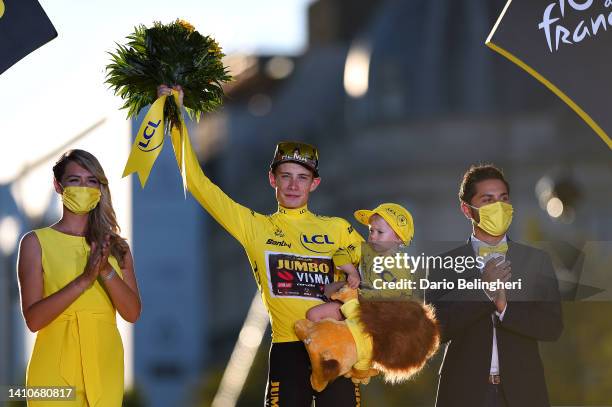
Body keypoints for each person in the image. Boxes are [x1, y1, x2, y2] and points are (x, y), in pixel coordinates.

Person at [160, 81, 365, 407]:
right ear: (273, 179)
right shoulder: (255, 227)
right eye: (286, 176)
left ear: (315, 184)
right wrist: (174, 116)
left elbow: (375, 270)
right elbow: (197, 183)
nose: (294, 185)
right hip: (287, 349)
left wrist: (354, 272)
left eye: (302, 178)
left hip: (336, 345)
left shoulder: (338, 229)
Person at [426, 164, 563, 407]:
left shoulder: (536, 261)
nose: (498, 207)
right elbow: (436, 331)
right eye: (487, 200)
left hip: (524, 392)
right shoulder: (443, 264)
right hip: (463, 393)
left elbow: (552, 327)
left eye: (503, 199)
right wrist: (484, 292)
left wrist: (505, 309)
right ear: (467, 210)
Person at [17, 149, 141, 407]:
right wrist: (84, 281)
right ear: (58, 186)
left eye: (91, 181)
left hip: (104, 365)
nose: (84, 188)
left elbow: (132, 313)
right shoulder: (35, 243)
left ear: (100, 188)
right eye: (75, 181)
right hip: (53, 369)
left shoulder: (117, 247)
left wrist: (105, 270)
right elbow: (34, 319)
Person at [306, 203, 415, 322]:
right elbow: (340, 255)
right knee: (313, 314)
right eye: (371, 230)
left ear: (398, 238)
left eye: (380, 232)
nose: (372, 236)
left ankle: (353, 335)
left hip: (377, 313)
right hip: (351, 303)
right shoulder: (363, 249)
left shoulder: (402, 267)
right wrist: (353, 273)